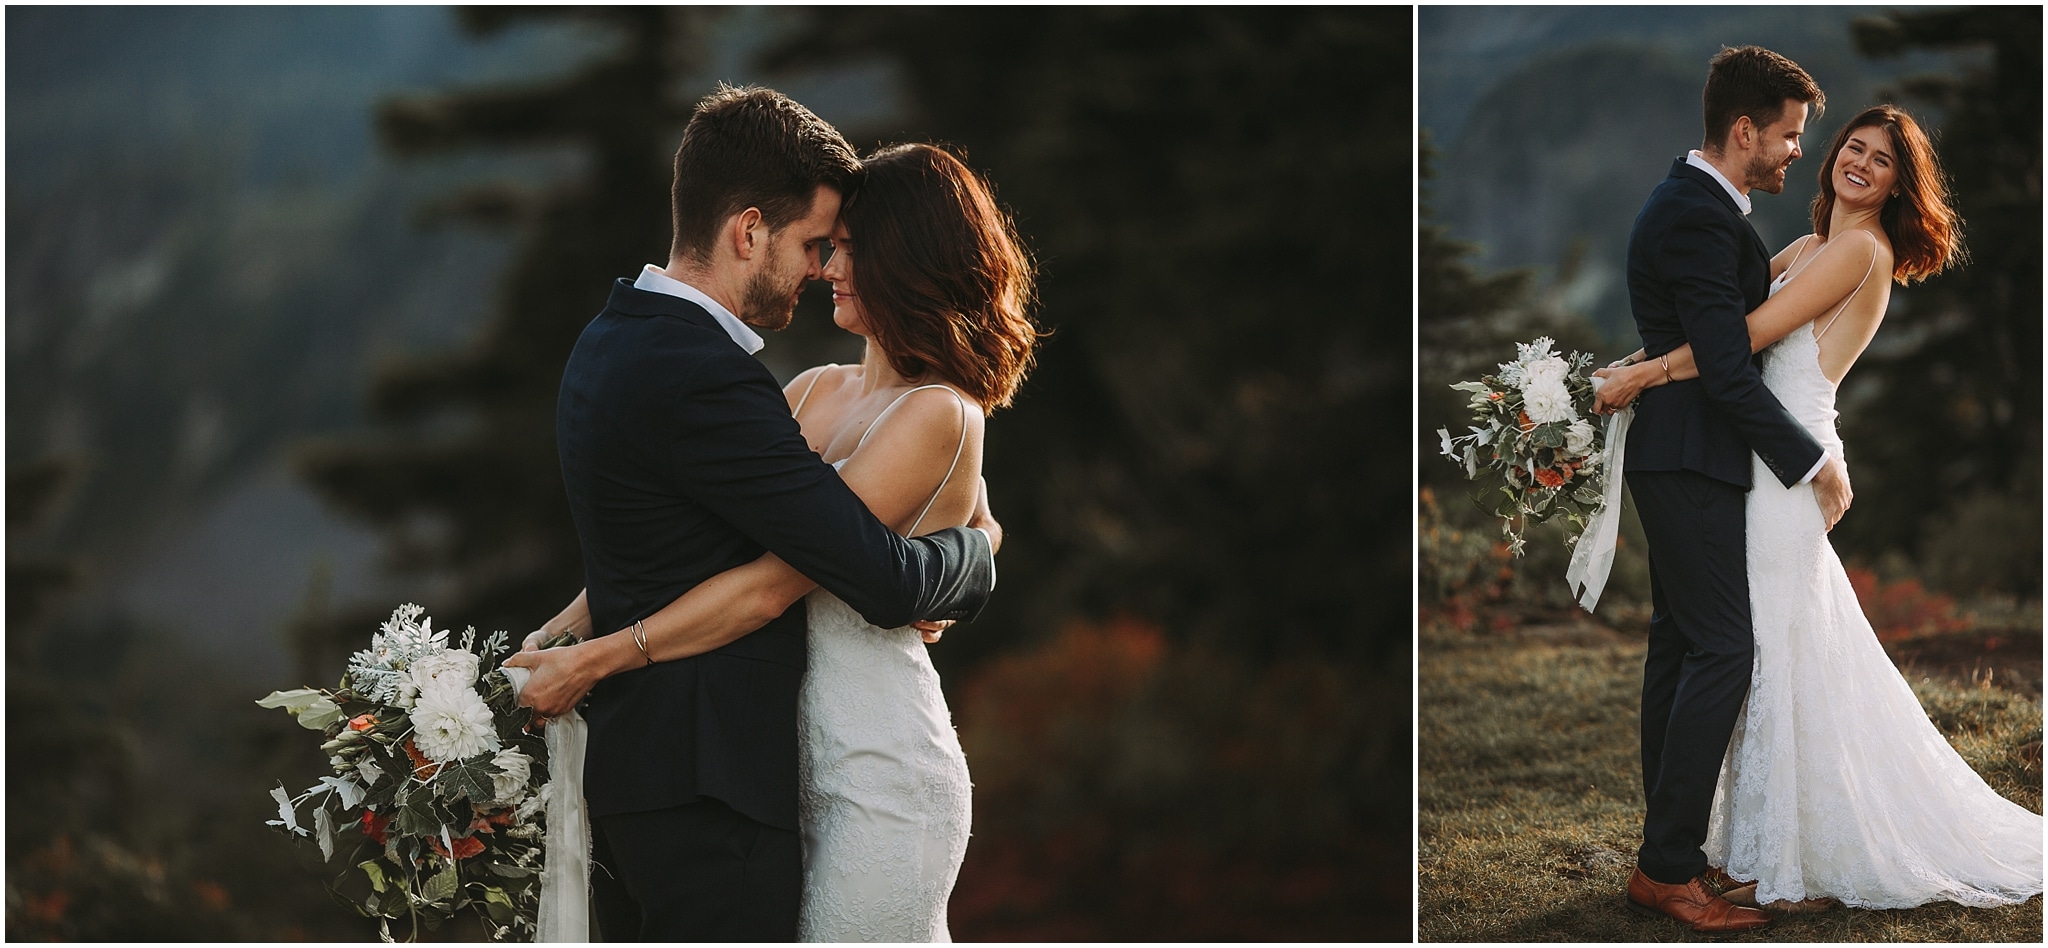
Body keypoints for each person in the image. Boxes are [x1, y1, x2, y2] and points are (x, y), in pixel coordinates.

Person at [502, 86, 1002, 942]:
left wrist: (584, 644)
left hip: (853, 761)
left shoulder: (614, 337)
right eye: (821, 245)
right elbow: (805, 562)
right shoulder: (772, 385)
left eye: (845, 251)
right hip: (736, 770)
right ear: (747, 231)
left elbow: (753, 559)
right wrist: (973, 563)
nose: (825, 269)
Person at [1595, 103, 2042, 913]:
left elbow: (1741, 345)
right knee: (1764, 651)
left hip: (1783, 469)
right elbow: (1712, 326)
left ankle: (1783, 855)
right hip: (1761, 457)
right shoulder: (1808, 249)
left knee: (1761, 652)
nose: (1861, 163)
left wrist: (1641, 380)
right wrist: (1609, 371)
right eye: (1854, 147)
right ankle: (1761, 849)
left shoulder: (1860, 254)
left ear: (1901, 186)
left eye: (1884, 160)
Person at [1585, 45, 1847, 934]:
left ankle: (1674, 858)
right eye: (1786, 137)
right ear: (1744, 131)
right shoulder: (1696, 215)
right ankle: (1666, 871)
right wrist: (1813, 462)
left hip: (1682, 453)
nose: (1793, 154)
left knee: (1680, 648)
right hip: (1692, 455)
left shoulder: (1705, 205)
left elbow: (1721, 335)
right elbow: (1730, 375)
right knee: (1725, 651)